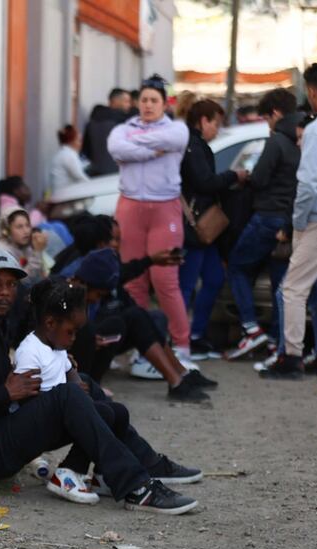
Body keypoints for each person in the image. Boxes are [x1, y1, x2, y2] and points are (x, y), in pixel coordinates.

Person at [0, 248, 201, 515]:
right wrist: (5, 393)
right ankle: (137, 487)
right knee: (68, 395)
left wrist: (51, 370)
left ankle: (136, 466)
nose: (4, 291)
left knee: (88, 390)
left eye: (11, 284)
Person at [13, 278, 203, 504]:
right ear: (51, 323)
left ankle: (103, 475)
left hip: (60, 415)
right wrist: (73, 400)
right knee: (98, 414)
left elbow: (70, 372)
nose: (74, 339)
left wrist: (77, 385)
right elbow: (27, 402)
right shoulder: (30, 352)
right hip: (38, 426)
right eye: (71, 332)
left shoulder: (56, 345)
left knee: (116, 412)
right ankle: (72, 471)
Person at [108, 73, 193, 361]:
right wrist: (151, 150)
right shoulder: (122, 129)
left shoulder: (178, 129)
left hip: (164, 208)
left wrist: (137, 146)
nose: (147, 105)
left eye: (153, 100)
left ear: (164, 104)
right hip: (129, 207)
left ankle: (181, 346)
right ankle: (142, 348)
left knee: (165, 278)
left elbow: (169, 140)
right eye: (143, 99)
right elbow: (116, 148)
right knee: (133, 279)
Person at [69, 249, 215, 402]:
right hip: (73, 351)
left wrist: (151, 260)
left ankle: (181, 376)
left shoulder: (98, 274)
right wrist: (88, 335)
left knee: (138, 315)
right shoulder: (66, 291)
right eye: (98, 295)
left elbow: (124, 272)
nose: (97, 299)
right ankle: (91, 385)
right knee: (114, 323)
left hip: (92, 339)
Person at [263, 63, 317, 379]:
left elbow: (309, 183)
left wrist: (298, 222)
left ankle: (291, 357)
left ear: (312, 91)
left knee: (293, 289)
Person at [225, 88, 302, 359]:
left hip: (267, 216)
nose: (268, 124)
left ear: (276, 113)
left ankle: (251, 329)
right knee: (281, 286)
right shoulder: (305, 137)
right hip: (290, 221)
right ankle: (276, 342)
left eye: (267, 118)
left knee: (236, 267)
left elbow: (259, 179)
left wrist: (246, 177)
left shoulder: (277, 140)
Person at [178, 100, 247, 360]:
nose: (217, 130)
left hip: (203, 230)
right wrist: (233, 176)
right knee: (186, 285)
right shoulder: (192, 146)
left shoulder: (195, 145)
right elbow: (205, 183)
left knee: (215, 278)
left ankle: (195, 335)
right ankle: (182, 340)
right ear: (203, 121)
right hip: (194, 228)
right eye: (215, 123)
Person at [81, 88, 131, 176]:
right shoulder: (123, 123)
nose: (129, 105)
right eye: (126, 101)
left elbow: (85, 151)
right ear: (115, 101)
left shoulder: (92, 122)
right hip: (117, 175)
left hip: (94, 174)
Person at [0, 208, 48, 284]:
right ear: (6, 230)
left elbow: (40, 278)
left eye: (27, 225)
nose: (26, 231)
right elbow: (21, 283)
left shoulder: (26, 247)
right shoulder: (1, 252)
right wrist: (37, 253)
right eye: (19, 227)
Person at [48, 124, 90, 191]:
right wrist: (92, 186)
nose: (81, 144)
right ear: (72, 142)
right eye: (79, 141)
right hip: (64, 196)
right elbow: (80, 176)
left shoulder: (63, 153)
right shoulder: (68, 155)